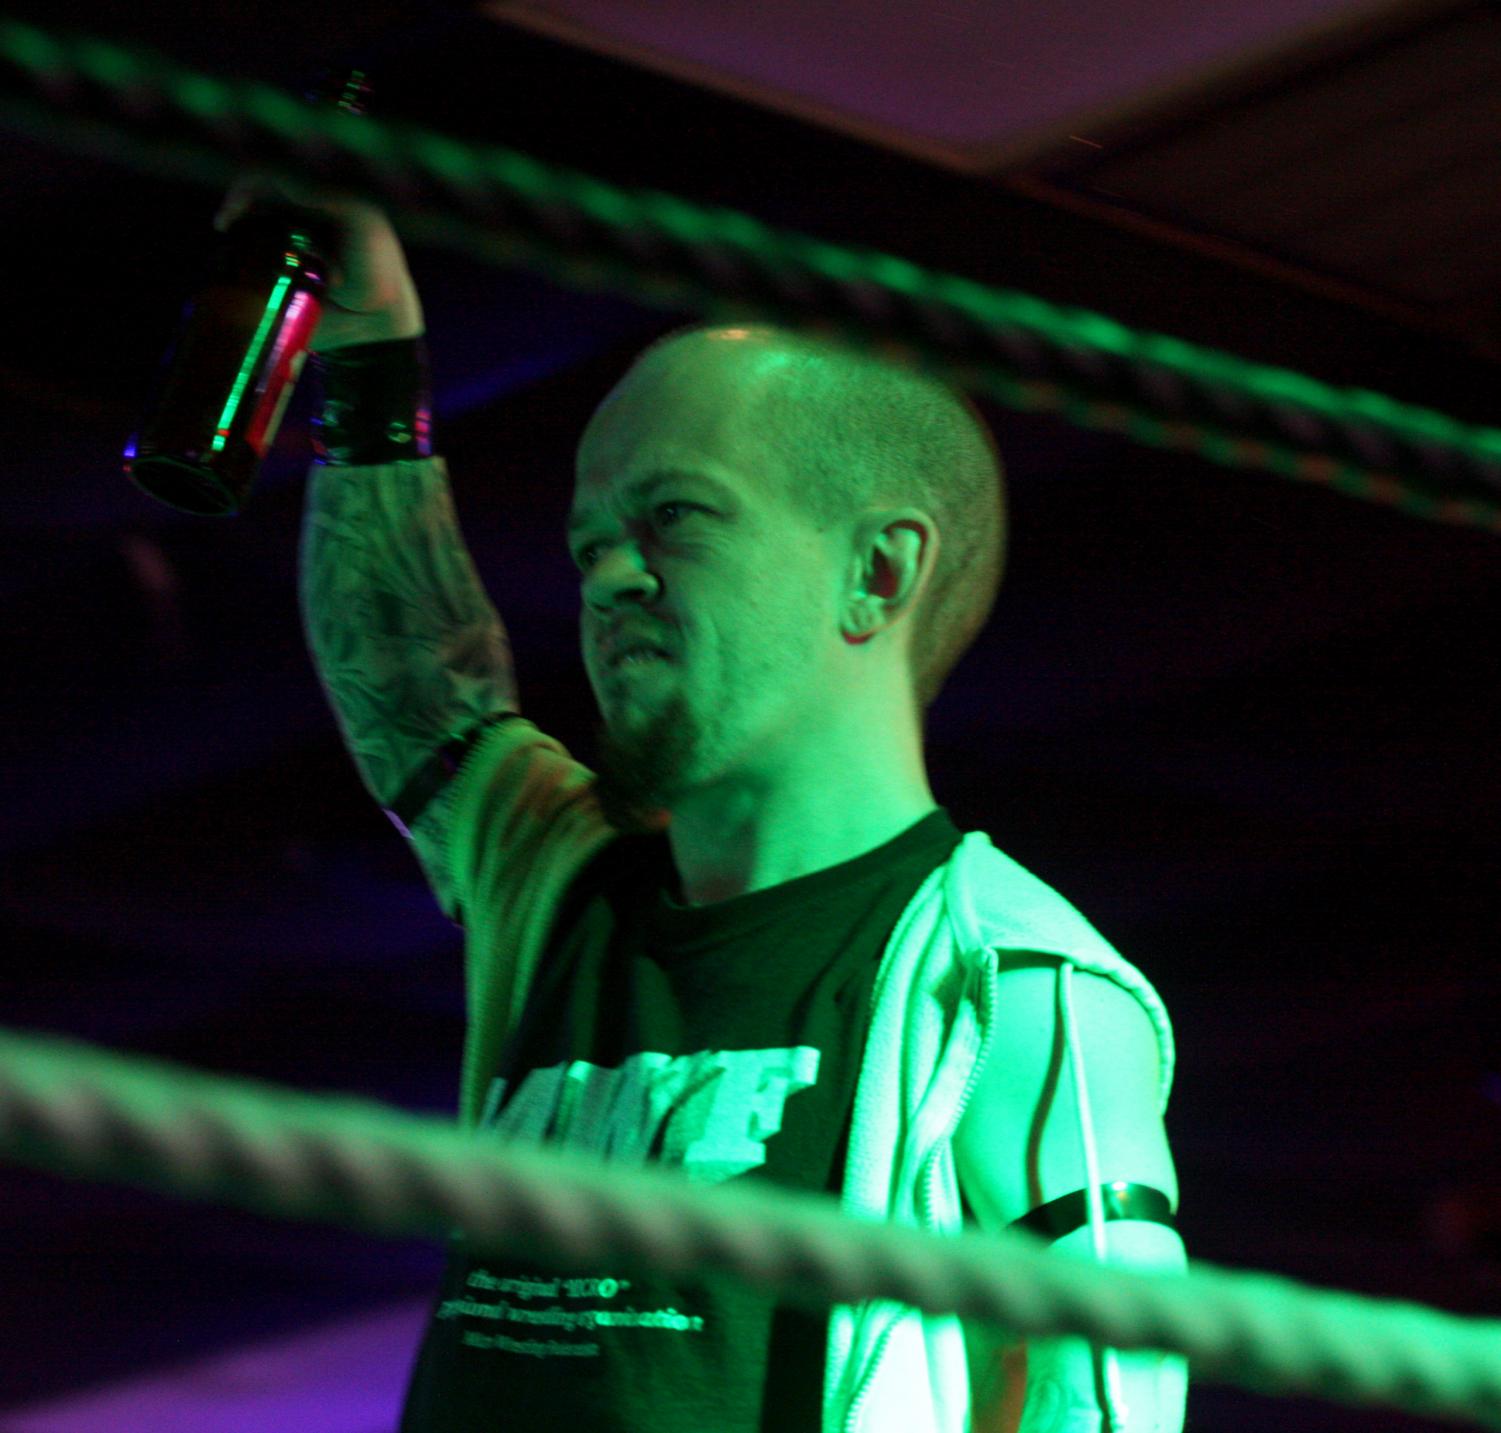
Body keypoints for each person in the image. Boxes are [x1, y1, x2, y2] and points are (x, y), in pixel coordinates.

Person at [217, 173, 1189, 1432]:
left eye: (674, 516)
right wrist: (367, 344)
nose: (609, 573)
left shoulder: (1017, 984)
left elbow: (1110, 1401)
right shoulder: (560, 877)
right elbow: (411, 683)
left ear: (877, 570)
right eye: (587, 540)